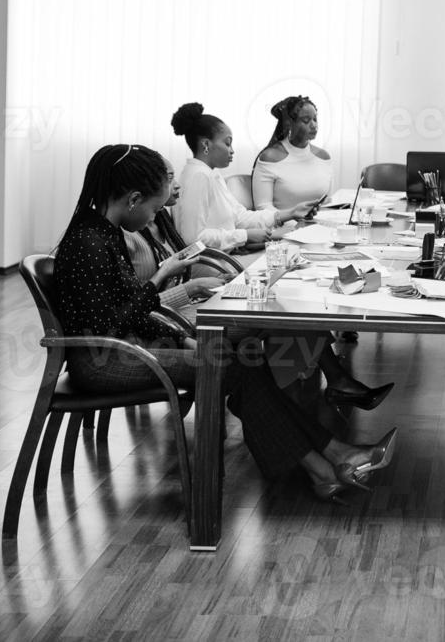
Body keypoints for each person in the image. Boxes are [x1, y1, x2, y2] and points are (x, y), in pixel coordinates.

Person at [53, 144, 397, 501]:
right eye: (154, 209)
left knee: (247, 360)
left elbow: (131, 315)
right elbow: (106, 325)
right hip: (103, 361)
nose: (155, 217)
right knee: (238, 365)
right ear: (133, 199)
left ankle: (327, 464)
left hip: (127, 347)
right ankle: (330, 461)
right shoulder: (89, 242)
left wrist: (181, 338)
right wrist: (157, 281)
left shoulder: (103, 233)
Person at [127, 160, 391, 408]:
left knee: (284, 309)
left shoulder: (159, 220)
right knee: (280, 314)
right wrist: (192, 288)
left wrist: (197, 286)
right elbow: (140, 304)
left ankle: (310, 392)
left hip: (186, 304)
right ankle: (280, 401)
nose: (176, 185)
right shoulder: (129, 234)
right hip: (171, 319)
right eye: (169, 178)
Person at [171, 102, 317, 252]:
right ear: (206, 145)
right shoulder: (198, 176)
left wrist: (290, 213)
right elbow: (193, 239)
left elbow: (239, 216)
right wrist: (244, 236)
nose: (232, 150)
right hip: (209, 265)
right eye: (227, 144)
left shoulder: (211, 173)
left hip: (223, 258)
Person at [252, 95, 334, 212]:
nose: (313, 125)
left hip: (319, 227)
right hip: (285, 227)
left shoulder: (324, 157)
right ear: (289, 123)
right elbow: (263, 207)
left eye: (315, 119)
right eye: (306, 120)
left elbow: (328, 203)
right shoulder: (270, 158)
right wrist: (292, 217)